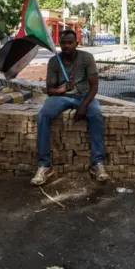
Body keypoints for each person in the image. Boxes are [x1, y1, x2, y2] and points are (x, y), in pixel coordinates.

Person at [31, 30, 109, 185]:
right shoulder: (55, 61)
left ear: (76, 43)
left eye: (70, 42)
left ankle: (97, 163)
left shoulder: (87, 58)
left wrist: (83, 107)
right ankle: (44, 165)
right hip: (61, 97)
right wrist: (62, 90)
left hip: (84, 95)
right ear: (60, 44)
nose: (66, 46)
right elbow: (49, 90)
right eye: (63, 43)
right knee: (43, 115)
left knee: (95, 115)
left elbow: (94, 87)